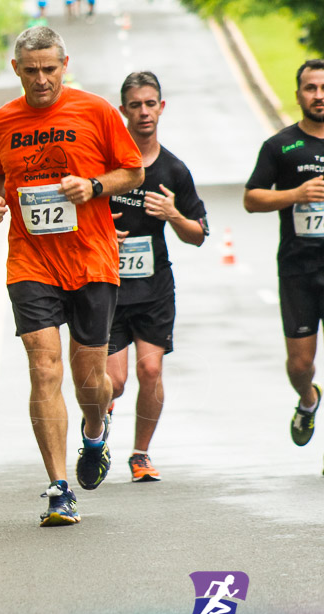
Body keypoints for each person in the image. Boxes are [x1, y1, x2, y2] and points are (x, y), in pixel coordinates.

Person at [0, 26, 143, 526]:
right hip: (30, 261)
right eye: (31, 70)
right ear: (16, 70)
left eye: (49, 69)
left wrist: (94, 185)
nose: (41, 79)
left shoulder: (95, 111)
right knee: (44, 368)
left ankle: (95, 431)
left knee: (90, 377)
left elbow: (132, 171)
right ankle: (58, 486)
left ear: (64, 64)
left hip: (92, 260)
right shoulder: (0, 121)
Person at [108, 72, 208, 483]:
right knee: (113, 383)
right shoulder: (107, 165)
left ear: (161, 108)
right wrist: (101, 233)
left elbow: (199, 235)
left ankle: (140, 454)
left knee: (150, 372)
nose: (144, 112)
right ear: (123, 111)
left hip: (154, 288)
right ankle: (96, 429)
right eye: (136, 105)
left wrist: (174, 215)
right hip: (108, 287)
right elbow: (76, 212)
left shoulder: (174, 169)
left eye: (151, 103)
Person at [244, 59, 324, 453]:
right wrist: (296, 195)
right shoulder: (281, 146)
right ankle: (308, 400)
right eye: (311, 88)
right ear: (298, 95)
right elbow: (251, 198)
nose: (319, 95)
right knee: (299, 365)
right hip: (298, 269)